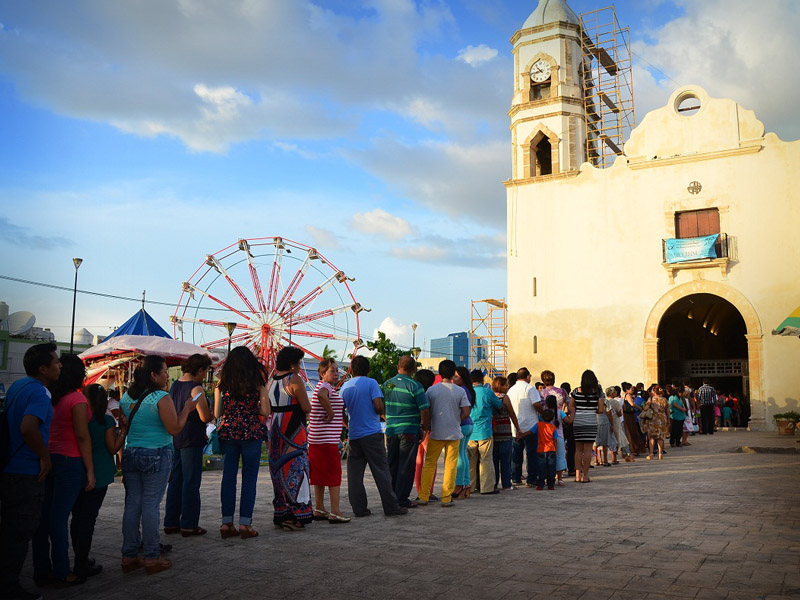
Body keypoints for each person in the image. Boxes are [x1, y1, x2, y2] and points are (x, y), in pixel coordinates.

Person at [120, 355, 198, 574]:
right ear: (153, 374)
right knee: (150, 505)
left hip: (131, 452)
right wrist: (187, 409)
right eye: (164, 371)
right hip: (156, 453)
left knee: (133, 504)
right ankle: (151, 555)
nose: (166, 376)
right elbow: (174, 428)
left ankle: (129, 554)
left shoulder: (127, 397)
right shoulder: (160, 397)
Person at [0, 343, 60, 600]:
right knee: (20, 531)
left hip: (10, 466)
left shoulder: (17, 386)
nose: (60, 366)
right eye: (56, 362)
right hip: (27, 471)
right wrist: (44, 458)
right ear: (43, 369)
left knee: (9, 528)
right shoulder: (40, 393)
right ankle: (9, 587)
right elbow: (28, 427)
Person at [32, 353, 95, 586]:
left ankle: (42, 567)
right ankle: (61, 570)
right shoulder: (76, 400)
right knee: (59, 518)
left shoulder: (50, 397)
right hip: (70, 461)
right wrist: (90, 470)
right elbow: (82, 436)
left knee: (45, 516)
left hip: (50, 458)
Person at [70, 384, 125, 579]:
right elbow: (112, 448)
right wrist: (123, 433)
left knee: (77, 516)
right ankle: (81, 562)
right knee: (88, 519)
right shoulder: (106, 421)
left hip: (79, 470)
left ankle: (80, 558)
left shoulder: (79, 418)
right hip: (100, 473)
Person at [340, 355, 406, 517]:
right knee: (381, 471)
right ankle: (391, 506)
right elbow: (378, 405)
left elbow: (340, 410)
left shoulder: (345, 387)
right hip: (371, 433)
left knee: (355, 474)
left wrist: (348, 425)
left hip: (354, 435)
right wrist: (381, 412)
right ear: (368, 369)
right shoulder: (371, 383)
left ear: (352, 370)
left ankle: (359, 508)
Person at [216, 347, 270, 537]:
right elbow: (265, 411)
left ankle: (226, 523)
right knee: (249, 479)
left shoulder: (222, 385)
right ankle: (245, 524)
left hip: (228, 433)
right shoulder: (257, 385)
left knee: (228, 477)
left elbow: (217, 413)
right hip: (251, 433)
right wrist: (250, 409)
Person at [164, 354, 213, 537]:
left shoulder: (175, 385)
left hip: (176, 434)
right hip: (192, 437)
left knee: (176, 480)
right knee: (191, 481)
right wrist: (211, 415)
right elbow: (203, 416)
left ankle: (171, 521)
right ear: (199, 370)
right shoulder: (196, 388)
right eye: (205, 372)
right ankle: (189, 523)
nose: (205, 376)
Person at [266, 346, 312, 530]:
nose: (300, 367)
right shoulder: (294, 380)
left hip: (276, 430)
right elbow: (306, 407)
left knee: (278, 471)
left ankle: (282, 511)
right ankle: (297, 513)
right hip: (293, 431)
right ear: (292, 364)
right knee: (297, 469)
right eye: (299, 363)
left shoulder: (270, 381)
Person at [417, 360, 471, 507]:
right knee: (451, 466)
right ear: (454, 373)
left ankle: (424, 496)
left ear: (439, 373)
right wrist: (456, 419)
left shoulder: (431, 391)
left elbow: (426, 411)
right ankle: (446, 498)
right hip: (454, 433)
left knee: (429, 465)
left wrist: (427, 426)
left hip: (436, 432)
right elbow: (466, 412)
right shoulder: (460, 391)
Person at [383, 356, 430, 509]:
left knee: (393, 463)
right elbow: (424, 409)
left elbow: (379, 405)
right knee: (406, 465)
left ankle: (391, 497)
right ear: (414, 369)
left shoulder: (387, 384)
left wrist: (388, 418)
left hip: (391, 429)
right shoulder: (415, 386)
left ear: (398, 366)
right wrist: (424, 427)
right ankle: (402, 499)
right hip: (409, 429)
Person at [308, 358, 349, 523]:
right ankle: (335, 511)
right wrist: (331, 413)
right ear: (322, 373)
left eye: (337, 370)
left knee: (319, 475)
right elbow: (321, 396)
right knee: (333, 474)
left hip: (316, 439)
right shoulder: (325, 387)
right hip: (327, 440)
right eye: (332, 370)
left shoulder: (324, 386)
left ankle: (319, 508)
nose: (336, 373)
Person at [508, 367, 542, 487]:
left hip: (515, 427)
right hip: (530, 425)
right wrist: (542, 412)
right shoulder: (530, 389)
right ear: (527, 377)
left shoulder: (510, 390)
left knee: (516, 454)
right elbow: (536, 404)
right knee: (531, 454)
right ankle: (531, 478)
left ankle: (516, 477)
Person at [570, 370, 602, 483]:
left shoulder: (576, 391)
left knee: (578, 449)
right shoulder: (597, 393)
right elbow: (601, 410)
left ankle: (577, 475)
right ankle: (585, 476)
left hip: (578, 421)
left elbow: (571, 406)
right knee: (588, 449)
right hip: (591, 422)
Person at [413, 369, 438, 501]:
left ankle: (419, 491)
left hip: (415, 429)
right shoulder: (430, 393)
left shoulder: (414, 392)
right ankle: (428, 491)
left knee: (418, 461)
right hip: (427, 430)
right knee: (430, 462)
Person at [452, 366, 475, 499]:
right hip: (468, 425)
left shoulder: (461, 390)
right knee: (463, 455)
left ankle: (459, 484)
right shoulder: (469, 389)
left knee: (459, 455)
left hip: (462, 424)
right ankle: (466, 484)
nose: (453, 379)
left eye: (456, 376)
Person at [490, 377, 515, 491]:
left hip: (493, 432)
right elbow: (512, 413)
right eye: (505, 385)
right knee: (505, 460)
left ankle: (494, 483)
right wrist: (518, 428)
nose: (507, 387)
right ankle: (506, 484)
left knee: (494, 460)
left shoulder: (490, 397)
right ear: (500, 386)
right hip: (505, 432)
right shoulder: (505, 398)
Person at [530, 408, 559, 490]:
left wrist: (521, 434)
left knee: (541, 467)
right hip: (551, 449)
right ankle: (551, 484)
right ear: (552, 418)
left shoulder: (538, 425)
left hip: (541, 450)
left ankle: (540, 484)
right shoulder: (553, 427)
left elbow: (530, 432)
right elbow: (555, 440)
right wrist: (555, 449)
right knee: (551, 468)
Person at [640, 385, 669, 460]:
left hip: (653, 419)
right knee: (661, 437)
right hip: (662, 418)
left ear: (653, 391)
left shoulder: (651, 399)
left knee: (652, 437)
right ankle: (660, 453)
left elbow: (646, 408)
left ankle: (651, 453)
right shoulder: (664, 399)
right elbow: (667, 411)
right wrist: (668, 420)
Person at [621, 383, 645, 456]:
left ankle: (627, 449)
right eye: (631, 389)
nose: (632, 390)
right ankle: (633, 449)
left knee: (627, 432)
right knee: (631, 431)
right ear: (627, 390)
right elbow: (632, 404)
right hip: (629, 415)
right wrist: (639, 408)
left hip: (625, 414)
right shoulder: (627, 395)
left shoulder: (622, 395)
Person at [560, 382, 576, 476]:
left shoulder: (559, 400)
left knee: (561, 446)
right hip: (569, 423)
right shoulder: (570, 401)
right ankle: (571, 468)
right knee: (571, 447)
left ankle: (561, 468)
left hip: (560, 424)